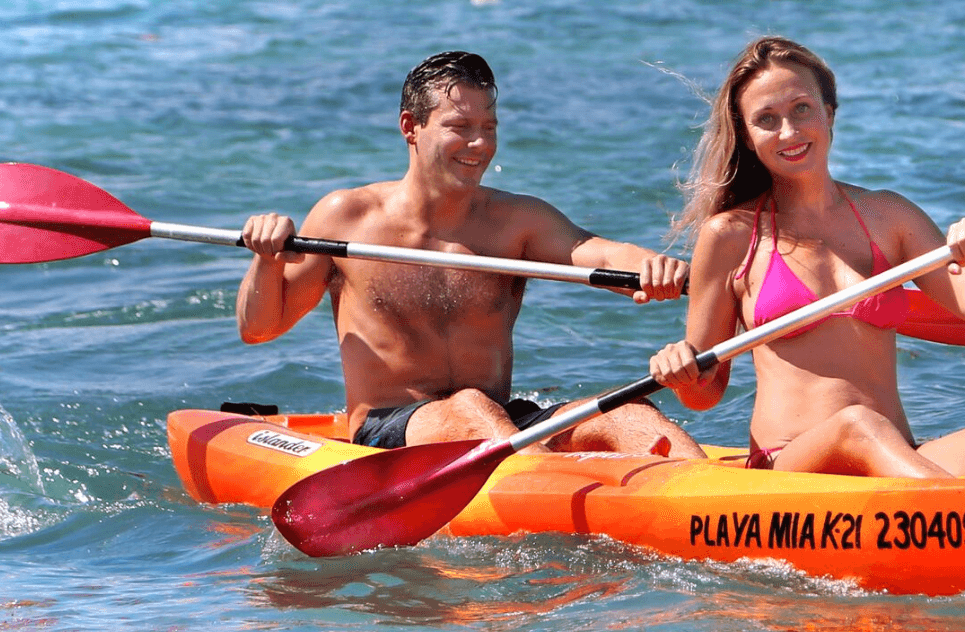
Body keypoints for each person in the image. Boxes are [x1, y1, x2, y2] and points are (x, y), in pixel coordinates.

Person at [648, 36, 965, 479]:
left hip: (897, 453)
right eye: (766, 119)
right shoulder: (730, 235)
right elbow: (706, 392)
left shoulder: (888, 214)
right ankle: (964, 516)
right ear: (748, 136)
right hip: (791, 464)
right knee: (858, 424)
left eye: (802, 109)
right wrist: (683, 375)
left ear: (830, 114)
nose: (789, 130)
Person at [238, 50, 704, 459]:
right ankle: (542, 485)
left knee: (626, 413)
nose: (479, 144)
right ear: (410, 127)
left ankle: (723, 500)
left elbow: (593, 251)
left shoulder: (516, 220)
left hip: (501, 421)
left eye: (488, 127)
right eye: (460, 127)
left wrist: (651, 267)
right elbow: (260, 328)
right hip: (388, 430)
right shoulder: (346, 218)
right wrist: (267, 257)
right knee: (469, 408)